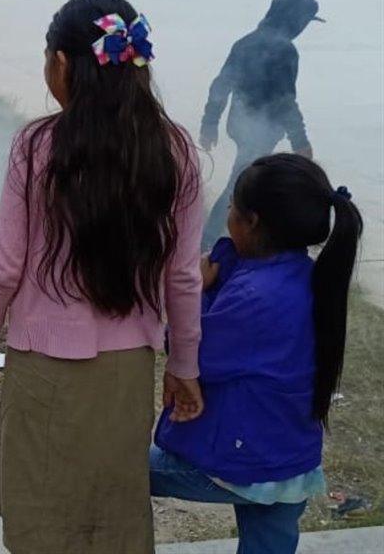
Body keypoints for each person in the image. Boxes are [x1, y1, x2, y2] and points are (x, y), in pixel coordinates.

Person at [0, 0, 205, 554]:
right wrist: (185, 364)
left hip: (45, 368)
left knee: (44, 511)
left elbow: (4, 265)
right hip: (127, 371)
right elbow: (184, 277)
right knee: (111, 509)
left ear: (63, 64)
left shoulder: (37, 146)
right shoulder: (174, 151)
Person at [151, 153, 362, 554]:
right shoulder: (309, 275)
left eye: (232, 206)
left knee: (120, 467)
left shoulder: (256, 296)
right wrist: (223, 267)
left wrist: (194, 290)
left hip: (245, 463)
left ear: (252, 222)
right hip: (292, 461)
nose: (227, 213)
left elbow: (189, 349)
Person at [200, 0, 324, 250]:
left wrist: (209, 124)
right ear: (295, 19)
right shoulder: (285, 49)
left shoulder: (245, 42)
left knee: (249, 182)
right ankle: (208, 244)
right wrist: (299, 140)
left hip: (240, 124)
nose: (303, 28)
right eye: (304, 21)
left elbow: (220, 85)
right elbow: (285, 100)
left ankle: (240, 239)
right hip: (259, 129)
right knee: (241, 185)